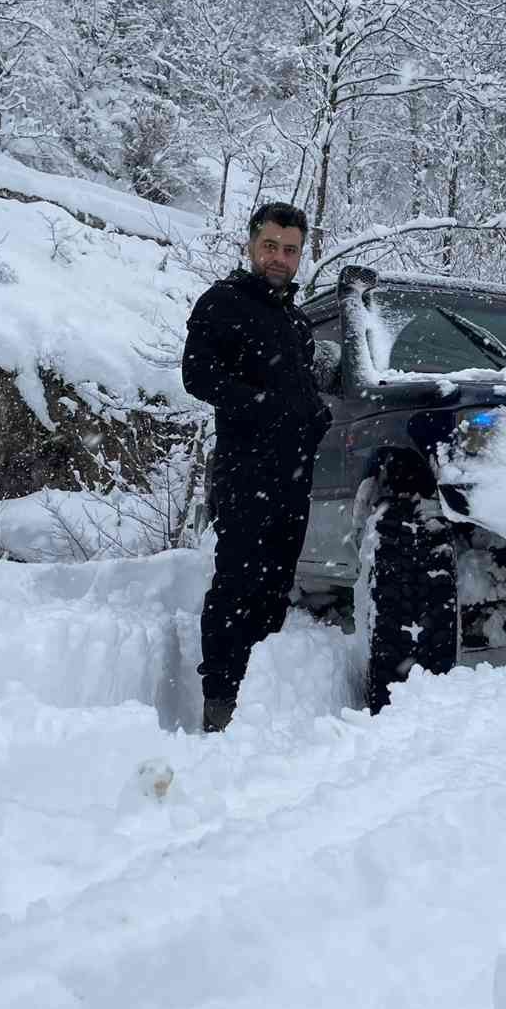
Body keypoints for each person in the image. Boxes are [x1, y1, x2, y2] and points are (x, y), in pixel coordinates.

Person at [181, 202, 331, 732]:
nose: (280, 258)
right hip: (245, 472)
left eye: (290, 250)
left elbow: (303, 389)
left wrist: (316, 415)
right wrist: (263, 405)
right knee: (236, 585)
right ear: (251, 246)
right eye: (271, 246)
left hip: (294, 479)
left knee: (275, 587)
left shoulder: (296, 320)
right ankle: (218, 704)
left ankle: (258, 701)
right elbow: (197, 376)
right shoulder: (224, 302)